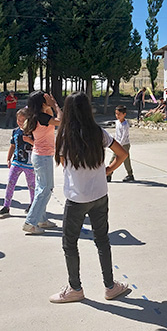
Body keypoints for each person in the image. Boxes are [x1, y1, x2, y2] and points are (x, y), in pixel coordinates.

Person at [49, 91, 129, 304]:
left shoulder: (66, 135)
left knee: (69, 243)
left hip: (77, 197)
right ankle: (110, 287)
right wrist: (109, 169)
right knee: (102, 240)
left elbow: (64, 164)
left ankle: (75, 288)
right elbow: (122, 153)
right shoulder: (98, 132)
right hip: (100, 194)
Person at [22, 91, 62, 234]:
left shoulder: (37, 116)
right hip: (43, 157)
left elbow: (50, 114)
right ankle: (30, 222)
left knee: (41, 188)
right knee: (46, 188)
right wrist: (55, 105)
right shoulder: (42, 117)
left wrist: (48, 104)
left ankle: (41, 219)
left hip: (39, 155)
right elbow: (60, 120)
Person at [0, 108, 35, 216]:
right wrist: (8, 158)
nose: (21, 123)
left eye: (23, 120)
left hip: (30, 164)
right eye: (19, 120)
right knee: (10, 183)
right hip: (17, 161)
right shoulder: (15, 131)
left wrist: (30, 141)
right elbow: (12, 145)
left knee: (31, 185)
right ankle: (6, 206)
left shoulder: (33, 131)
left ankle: (32, 204)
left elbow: (39, 146)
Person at [106, 105, 134, 182]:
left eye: (119, 114)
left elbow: (124, 136)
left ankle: (130, 174)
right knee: (113, 159)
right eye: (116, 114)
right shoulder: (117, 122)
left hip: (124, 145)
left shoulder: (125, 125)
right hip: (117, 144)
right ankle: (109, 175)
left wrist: (119, 146)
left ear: (124, 114)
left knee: (126, 160)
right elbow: (117, 133)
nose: (117, 116)